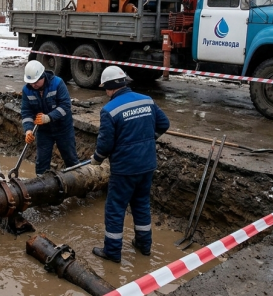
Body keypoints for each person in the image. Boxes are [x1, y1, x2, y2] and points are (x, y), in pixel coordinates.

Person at [91, 66, 170, 264]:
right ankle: (144, 246)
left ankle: (112, 251)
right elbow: (164, 124)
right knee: (141, 204)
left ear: (110, 87)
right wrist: (148, 140)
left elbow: (106, 143)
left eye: (105, 88)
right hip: (147, 164)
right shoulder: (147, 100)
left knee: (115, 208)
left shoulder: (109, 110)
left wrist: (97, 159)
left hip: (125, 169)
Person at [20, 60, 79, 174]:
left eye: (35, 82)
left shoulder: (57, 83)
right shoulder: (27, 90)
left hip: (63, 128)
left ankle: (77, 183)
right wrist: (28, 130)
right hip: (44, 131)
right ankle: (41, 186)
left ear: (42, 76)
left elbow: (65, 106)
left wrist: (48, 117)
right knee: (41, 163)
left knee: (71, 159)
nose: (33, 85)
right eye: (31, 82)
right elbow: (26, 112)